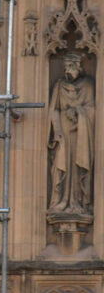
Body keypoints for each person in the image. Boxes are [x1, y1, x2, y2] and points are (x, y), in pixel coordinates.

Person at [47, 52, 95, 215]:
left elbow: (92, 110)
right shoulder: (59, 85)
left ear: (78, 67)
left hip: (80, 134)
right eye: (66, 66)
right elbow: (53, 110)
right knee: (62, 166)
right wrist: (57, 131)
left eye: (71, 66)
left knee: (78, 166)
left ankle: (78, 201)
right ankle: (61, 200)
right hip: (64, 134)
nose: (68, 70)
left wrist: (77, 112)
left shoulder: (88, 86)